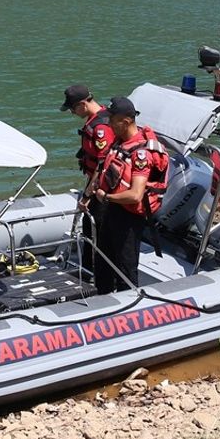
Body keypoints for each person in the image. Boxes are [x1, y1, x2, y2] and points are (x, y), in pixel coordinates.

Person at [90, 96, 169, 294]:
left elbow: (135, 195)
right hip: (112, 211)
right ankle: (103, 300)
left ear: (125, 121)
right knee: (103, 261)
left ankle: (129, 306)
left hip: (128, 216)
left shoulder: (140, 153)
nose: (108, 124)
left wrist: (106, 197)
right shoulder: (120, 141)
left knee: (125, 267)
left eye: (112, 120)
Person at [61, 84, 115, 275]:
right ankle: (88, 271)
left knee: (97, 232)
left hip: (103, 189)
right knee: (88, 229)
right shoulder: (96, 120)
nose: (72, 113)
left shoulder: (101, 127)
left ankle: (98, 275)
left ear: (83, 104)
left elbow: (103, 166)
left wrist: (87, 195)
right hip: (96, 184)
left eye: (73, 109)